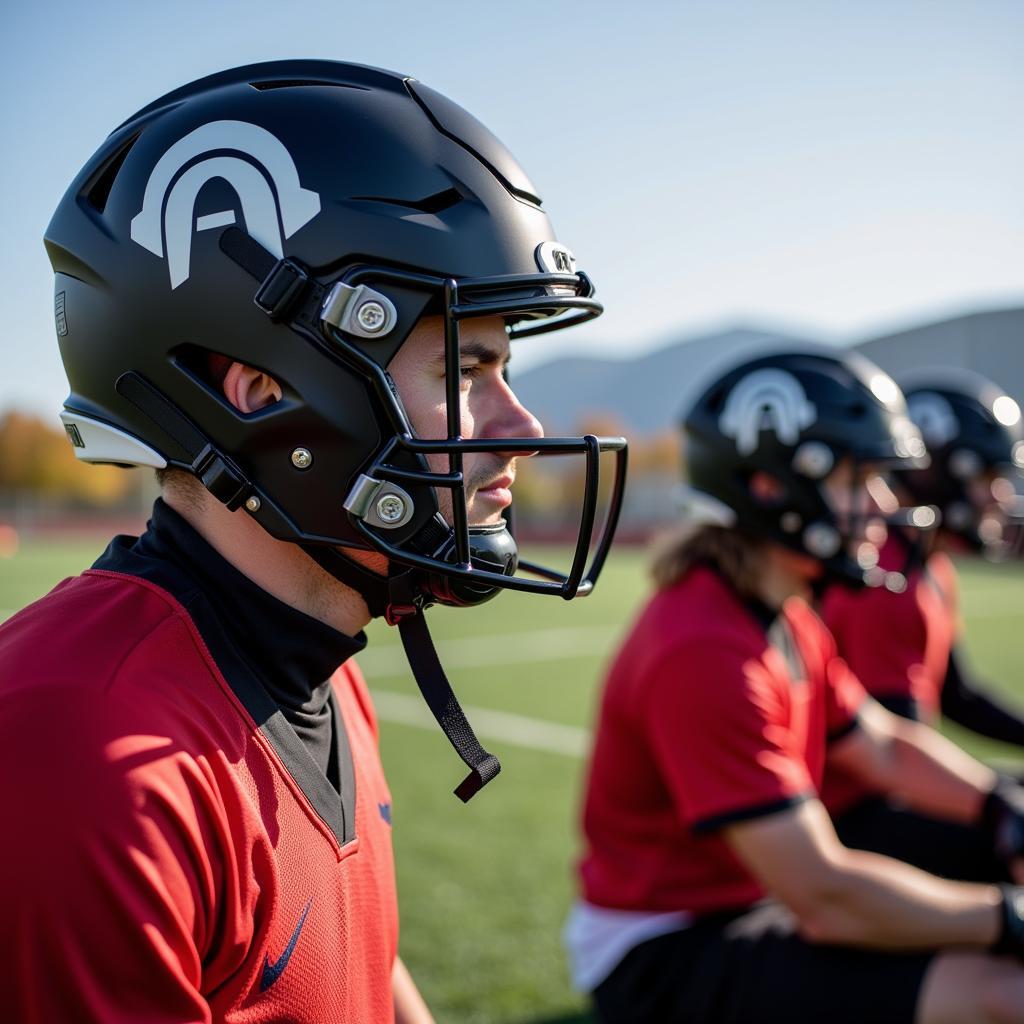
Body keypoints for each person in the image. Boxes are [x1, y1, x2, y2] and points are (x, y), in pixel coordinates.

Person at [0, 60, 625, 1023]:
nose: (516, 425)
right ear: (266, 395)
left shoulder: (316, 658)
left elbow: (366, 978)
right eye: (467, 367)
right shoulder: (83, 752)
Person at [567, 350, 1024, 1024]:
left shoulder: (781, 608)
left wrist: (997, 803)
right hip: (664, 947)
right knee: (1001, 993)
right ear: (770, 486)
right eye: (858, 480)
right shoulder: (706, 648)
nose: (885, 505)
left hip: (750, 898)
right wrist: (1006, 917)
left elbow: (884, 746)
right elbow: (827, 899)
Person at [822, 370, 1024, 879]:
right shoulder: (886, 576)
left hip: (890, 782)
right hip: (848, 811)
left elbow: (956, 693)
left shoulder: (927, 564)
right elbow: (895, 743)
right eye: (985, 477)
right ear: (938, 472)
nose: (1000, 495)